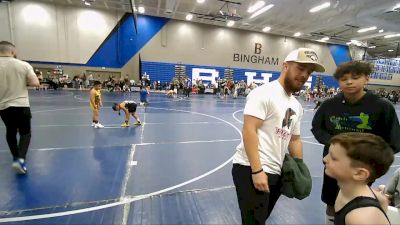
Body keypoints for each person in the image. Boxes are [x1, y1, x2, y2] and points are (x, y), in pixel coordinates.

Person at [232, 48, 325, 224]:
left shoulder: (296, 105)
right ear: (285, 66)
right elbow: (249, 130)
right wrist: (257, 170)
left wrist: (299, 168)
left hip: (276, 170)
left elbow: (295, 139)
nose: (304, 75)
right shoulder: (263, 93)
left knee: (260, 219)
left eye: (309, 72)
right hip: (251, 168)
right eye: (300, 68)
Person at [311, 61, 400, 225]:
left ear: (366, 78)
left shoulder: (382, 107)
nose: (349, 82)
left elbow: (393, 142)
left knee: (357, 202)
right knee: (332, 202)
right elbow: (317, 128)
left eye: (355, 77)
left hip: (362, 169)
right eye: (344, 79)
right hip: (335, 164)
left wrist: (370, 159)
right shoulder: (329, 105)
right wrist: (334, 145)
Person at [323, 132, 393, 225]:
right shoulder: (347, 190)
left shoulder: (359, 218)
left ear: (359, 173)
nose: (325, 159)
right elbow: (383, 201)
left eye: (334, 158)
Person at [0, 41, 40, 174]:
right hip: (21, 105)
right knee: (25, 133)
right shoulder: (23, 65)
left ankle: (15, 156)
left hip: (3, 107)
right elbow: (35, 83)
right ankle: (20, 160)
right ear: (13, 51)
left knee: (10, 131)